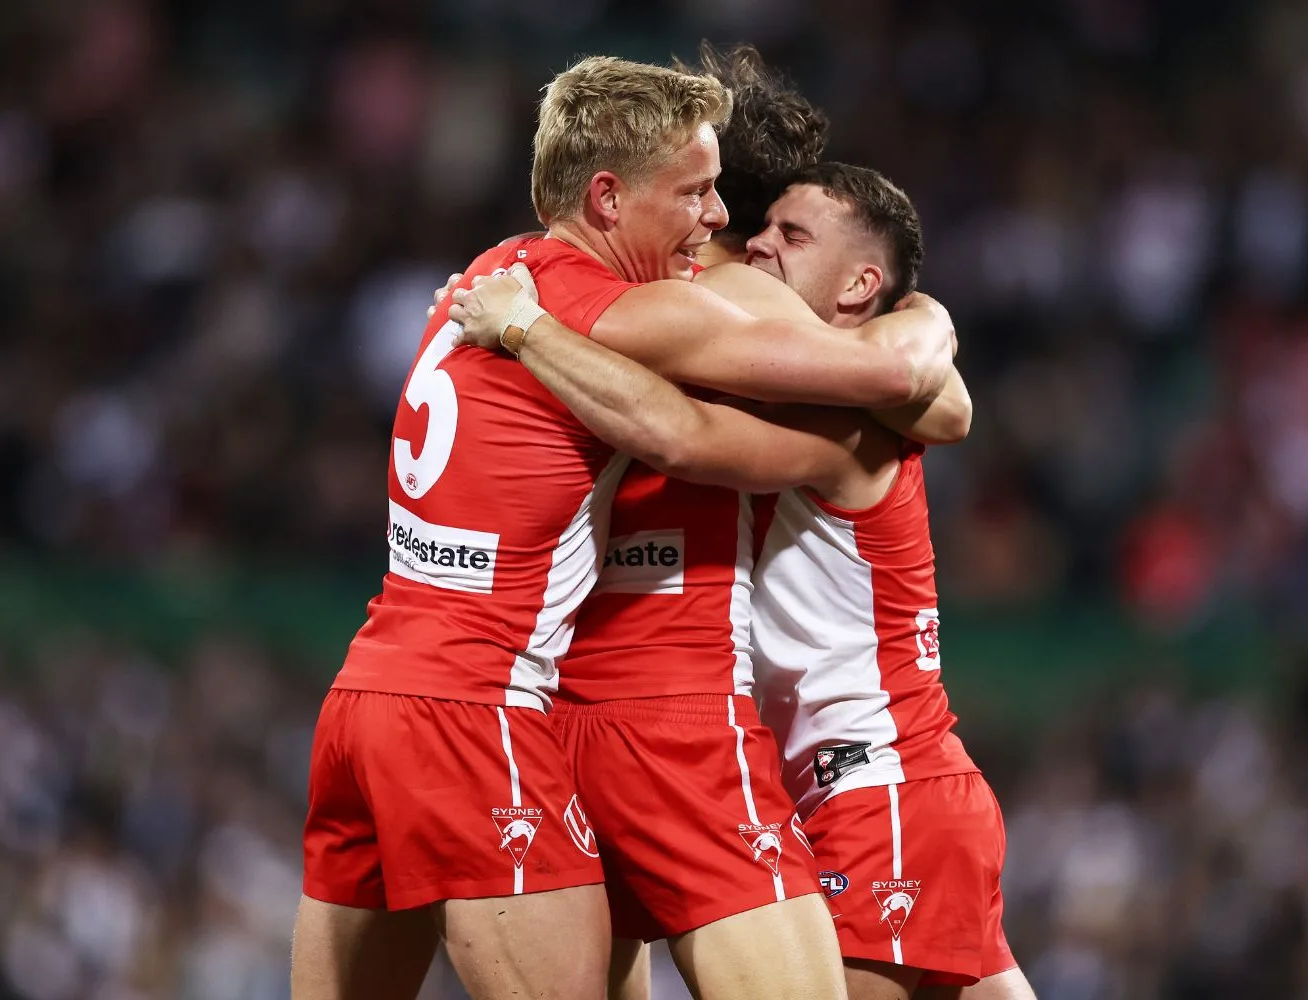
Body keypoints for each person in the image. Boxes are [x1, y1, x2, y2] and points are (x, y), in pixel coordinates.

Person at [296, 50, 959, 1000]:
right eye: (698, 193)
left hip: (387, 694)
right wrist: (925, 320)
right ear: (612, 197)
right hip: (542, 714)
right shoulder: (664, 305)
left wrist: (525, 327)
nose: (716, 219)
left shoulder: (489, 278)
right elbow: (907, 397)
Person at [448, 162, 1035, 1000]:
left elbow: (678, 434)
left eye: (792, 236)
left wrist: (529, 329)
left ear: (862, 283)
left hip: (874, 784)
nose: (758, 242)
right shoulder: (803, 379)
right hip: (875, 788)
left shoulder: (850, 416)